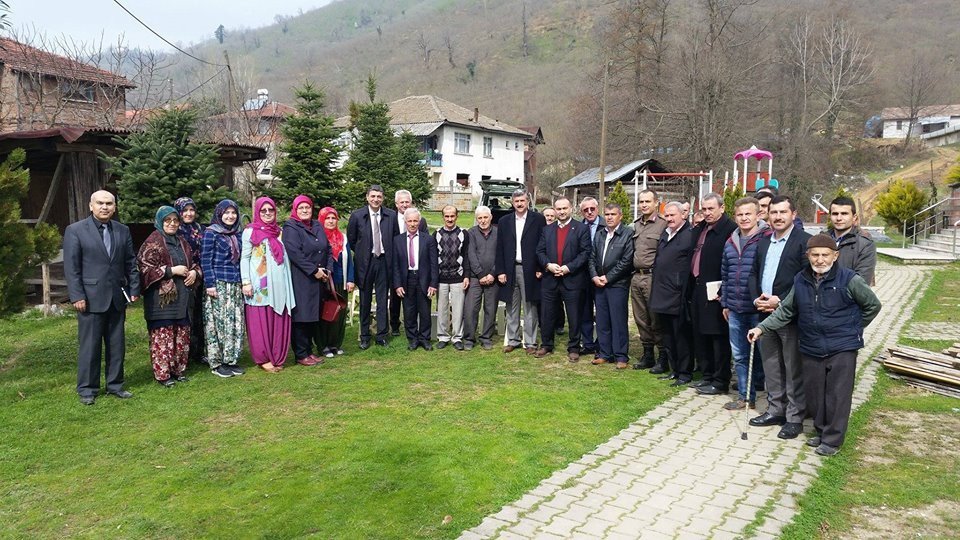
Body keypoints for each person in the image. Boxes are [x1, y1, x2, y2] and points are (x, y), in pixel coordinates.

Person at [748, 234, 881, 456]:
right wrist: (761, 328)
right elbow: (786, 310)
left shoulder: (849, 279)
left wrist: (853, 328)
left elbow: (872, 306)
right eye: (815, 255)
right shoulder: (801, 279)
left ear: (835, 255)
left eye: (825, 255)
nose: (820, 260)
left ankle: (832, 440)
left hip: (842, 347)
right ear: (808, 255)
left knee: (837, 395)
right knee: (815, 394)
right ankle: (821, 431)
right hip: (811, 345)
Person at [63, 190, 140, 405]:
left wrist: (134, 289)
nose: (104, 207)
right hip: (89, 298)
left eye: (109, 203)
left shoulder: (122, 231)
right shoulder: (75, 231)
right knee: (90, 346)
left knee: (117, 345)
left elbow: (130, 263)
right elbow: (72, 268)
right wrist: (77, 295)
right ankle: (87, 389)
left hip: (116, 298)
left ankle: (115, 385)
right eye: (100, 203)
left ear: (115, 207)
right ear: (91, 206)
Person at [748, 195, 811, 439]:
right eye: (773, 212)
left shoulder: (804, 242)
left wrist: (781, 300)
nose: (777, 217)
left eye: (783, 212)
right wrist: (757, 299)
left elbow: (804, 278)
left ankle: (794, 417)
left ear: (793, 214)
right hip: (764, 314)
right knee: (772, 365)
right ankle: (775, 409)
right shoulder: (764, 243)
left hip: (789, 315)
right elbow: (754, 273)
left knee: (792, 366)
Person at [137, 206, 201, 387]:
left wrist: (195, 273)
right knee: (163, 337)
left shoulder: (182, 242)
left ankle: (178, 370)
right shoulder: (152, 242)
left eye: (175, 220)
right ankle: (163, 374)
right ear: (160, 221)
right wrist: (170, 271)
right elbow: (144, 270)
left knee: (180, 335)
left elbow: (195, 262)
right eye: (168, 220)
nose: (172, 224)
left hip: (183, 297)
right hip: (161, 301)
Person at [719, 197, 770, 409]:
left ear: (758, 215)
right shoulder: (730, 242)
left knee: (763, 354)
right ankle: (745, 397)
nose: (744, 218)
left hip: (759, 309)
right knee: (739, 354)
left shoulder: (766, 239)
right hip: (736, 308)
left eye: (748, 214)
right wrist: (725, 302)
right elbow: (726, 273)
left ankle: (770, 397)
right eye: (740, 214)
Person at [689, 193, 738, 396]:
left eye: (711, 209)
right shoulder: (701, 229)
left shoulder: (730, 230)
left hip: (718, 291)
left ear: (722, 207)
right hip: (698, 288)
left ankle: (720, 380)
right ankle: (707, 375)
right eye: (704, 209)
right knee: (701, 334)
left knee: (718, 337)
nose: (707, 213)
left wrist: (724, 290)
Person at [241, 197, 296, 372]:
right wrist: (246, 282)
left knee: (277, 316)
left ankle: (277, 354)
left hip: (279, 284)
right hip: (259, 285)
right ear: (257, 212)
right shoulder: (250, 232)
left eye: (270, 210)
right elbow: (245, 258)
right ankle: (263, 358)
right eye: (263, 210)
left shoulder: (278, 231)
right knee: (260, 319)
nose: (267, 213)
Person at [535, 197, 591, 362]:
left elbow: (585, 253)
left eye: (564, 208)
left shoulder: (581, 228)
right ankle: (546, 344)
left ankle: (574, 347)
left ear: (571, 208)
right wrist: (548, 265)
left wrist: (568, 268)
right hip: (550, 278)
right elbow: (540, 251)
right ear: (554, 209)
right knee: (547, 314)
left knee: (574, 315)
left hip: (572, 279)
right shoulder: (547, 229)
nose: (561, 212)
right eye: (558, 209)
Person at [283, 195, 333, 367]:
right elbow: (295, 253)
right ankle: (301, 353)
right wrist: (314, 271)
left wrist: (327, 269)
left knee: (313, 315)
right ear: (295, 210)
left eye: (308, 207)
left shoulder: (317, 225)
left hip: (320, 278)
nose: (305, 211)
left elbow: (327, 248)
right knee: (302, 317)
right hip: (302, 278)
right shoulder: (291, 227)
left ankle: (309, 350)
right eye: (301, 208)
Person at [649, 202, 695, 386]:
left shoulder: (689, 235)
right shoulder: (665, 233)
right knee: (667, 333)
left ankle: (685, 373)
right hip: (661, 291)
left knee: (681, 334)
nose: (669, 219)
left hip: (678, 293)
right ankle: (674, 369)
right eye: (666, 216)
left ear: (683, 215)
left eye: (672, 215)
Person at [495, 189, 546, 354]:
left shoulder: (538, 219)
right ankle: (513, 340)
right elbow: (500, 248)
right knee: (511, 306)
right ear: (512, 202)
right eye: (516, 201)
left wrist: (540, 268)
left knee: (530, 306)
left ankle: (530, 342)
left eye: (522, 201)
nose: (519, 204)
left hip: (530, 269)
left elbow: (542, 245)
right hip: (510, 269)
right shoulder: (504, 221)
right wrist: (501, 270)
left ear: (528, 201)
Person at [347, 185, 398, 349]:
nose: (376, 199)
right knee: (365, 300)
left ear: (383, 199)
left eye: (379, 197)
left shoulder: (391, 215)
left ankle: (382, 335)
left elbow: (395, 238)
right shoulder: (357, 216)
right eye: (373, 196)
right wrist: (363, 253)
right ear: (367, 197)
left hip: (384, 262)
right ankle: (365, 336)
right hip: (365, 263)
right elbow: (352, 240)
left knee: (383, 300)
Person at [201, 199, 246, 378]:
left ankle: (230, 360)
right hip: (218, 284)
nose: (230, 216)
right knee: (218, 324)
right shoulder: (211, 233)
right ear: (219, 214)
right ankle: (217, 362)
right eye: (226, 213)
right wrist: (210, 284)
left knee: (233, 323)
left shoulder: (237, 234)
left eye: (233, 212)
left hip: (235, 283)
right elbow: (205, 260)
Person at [588, 203, 635, 369]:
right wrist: (594, 276)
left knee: (618, 320)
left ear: (620, 216)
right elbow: (592, 257)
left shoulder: (627, 234)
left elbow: (626, 261)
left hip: (617, 284)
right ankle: (604, 353)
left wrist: (608, 278)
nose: (609, 217)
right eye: (607, 214)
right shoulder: (600, 234)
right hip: (599, 284)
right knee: (602, 320)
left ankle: (621, 356)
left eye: (613, 214)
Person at [630, 189, 668, 370]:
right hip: (637, 276)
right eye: (641, 201)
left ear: (655, 203)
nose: (644, 205)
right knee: (641, 318)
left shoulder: (663, 224)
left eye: (647, 201)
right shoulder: (636, 225)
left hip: (654, 277)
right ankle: (648, 355)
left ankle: (663, 356)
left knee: (656, 318)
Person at [393, 208, 439, 350]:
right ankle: (412, 339)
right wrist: (397, 284)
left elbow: (434, 263)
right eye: (410, 221)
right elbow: (395, 265)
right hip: (407, 279)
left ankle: (425, 338)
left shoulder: (428, 239)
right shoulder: (398, 240)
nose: (412, 224)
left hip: (423, 278)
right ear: (405, 222)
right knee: (409, 311)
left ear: (419, 222)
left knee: (425, 310)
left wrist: (433, 283)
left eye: (415, 221)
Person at [173, 197, 207, 365]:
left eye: (191, 210)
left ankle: (198, 352)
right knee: (185, 317)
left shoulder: (200, 229)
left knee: (199, 317)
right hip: (180, 280)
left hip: (199, 278)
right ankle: (182, 355)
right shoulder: (174, 230)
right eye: (185, 210)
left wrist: (196, 271)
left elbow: (205, 253)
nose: (188, 213)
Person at [318, 207, 355, 358]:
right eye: (328, 218)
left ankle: (335, 344)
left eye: (333, 218)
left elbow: (350, 261)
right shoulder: (318, 238)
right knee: (325, 314)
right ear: (322, 220)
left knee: (339, 315)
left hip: (341, 281)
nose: (331, 221)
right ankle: (323, 346)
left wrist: (351, 279)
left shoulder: (343, 238)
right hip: (324, 283)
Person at [390, 189, 427, 337]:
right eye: (402, 202)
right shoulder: (390, 218)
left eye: (407, 202)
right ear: (396, 204)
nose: (405, 204)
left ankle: (415, 326)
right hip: (397, 262)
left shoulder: (420, 220)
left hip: (415, 265)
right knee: (395, 296)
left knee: (414, 301)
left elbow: (424, 241)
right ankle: (394, 325)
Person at [434, 205, 471, 350]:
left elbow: (467, 256)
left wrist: (466, 275)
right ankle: (442, 336)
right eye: (447, 216)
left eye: (452, 216)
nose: (449, 219)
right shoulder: (436, 234)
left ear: (457, 216)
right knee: (441, 309)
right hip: (441, 278)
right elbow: (433, 257)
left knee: (458, 309)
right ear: (443, 217)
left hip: (458, 277)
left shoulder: (464, 233)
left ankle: (457, 338)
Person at [463, 205, 499, 351]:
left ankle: (486, 337)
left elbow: (501, 254)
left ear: (491, 217)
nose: (483, 220)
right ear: (476, 219)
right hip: (475, 278)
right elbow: (470, 254)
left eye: (485, 217)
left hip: (493, 278)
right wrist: (480, 274)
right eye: (480, 218)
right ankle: (469, 338)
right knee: (471, 308)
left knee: (490, 309)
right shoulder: (470, 233)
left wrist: (492, 274)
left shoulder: (498, 232)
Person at [828, 196, 876, 286]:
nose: (839, 218)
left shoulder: (865, 244)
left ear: (854, 217)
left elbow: (862, 282)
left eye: (844, 214)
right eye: (835, 214)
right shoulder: (821, 239)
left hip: (848, 297)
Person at [578, 197, 601, 354]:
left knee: (602, 311)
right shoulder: (578, 227)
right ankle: (587, 343)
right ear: (582, 212)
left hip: (602, 276)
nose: (589, 212)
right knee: (584, 311)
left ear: (597, 209)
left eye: (592, 208)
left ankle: (602, 343)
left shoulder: (607, 225)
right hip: (582, 275)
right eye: (586, 210)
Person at [541, 207, 565, 335]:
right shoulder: (542, 231)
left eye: (551, 215)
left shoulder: (558, 229)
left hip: (560, 270)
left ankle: (559, 324)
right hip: (544, 270)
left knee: (558, 301)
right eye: (547, 215)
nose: (549, 218)